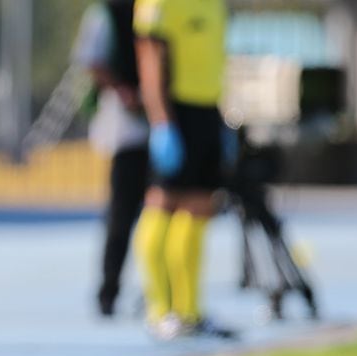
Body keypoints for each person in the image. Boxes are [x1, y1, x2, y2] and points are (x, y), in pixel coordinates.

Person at [131, 0, 236, 338]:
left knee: (199, 209)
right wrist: (161, 122)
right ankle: (160, 310)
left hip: (208, 112)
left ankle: (189, 310)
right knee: (162, 204)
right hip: (177, 113)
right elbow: (149, 62)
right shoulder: (159, 3)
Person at [72, 0, 150, 317]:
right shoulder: (107, 13)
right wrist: (125, 91)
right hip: (128, 129)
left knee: (163, 215)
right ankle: (109, 291)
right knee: (122, 214)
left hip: (164, 123)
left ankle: (159, 293)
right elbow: (92, 61)